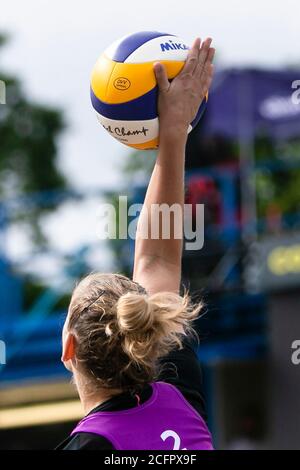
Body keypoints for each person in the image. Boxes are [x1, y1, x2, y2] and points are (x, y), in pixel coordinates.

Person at [56, 37, 215, 450]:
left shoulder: (89, 447)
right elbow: (156, 258)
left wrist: (173, 132)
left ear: (68, 347)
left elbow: (156, 261)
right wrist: (175, 129)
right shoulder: (176, 396)